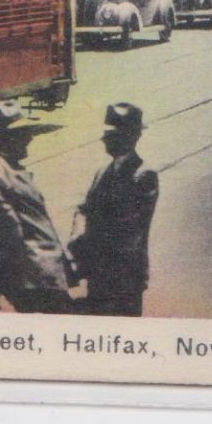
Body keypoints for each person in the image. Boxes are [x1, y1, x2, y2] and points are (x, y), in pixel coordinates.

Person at [0, 99, 74, 314]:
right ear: (2, 139)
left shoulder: (8, 169)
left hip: (42, 275)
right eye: (20, 134)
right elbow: (7, 232)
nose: (29, 138)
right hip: (32, 279)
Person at [70, 103, 160, 317]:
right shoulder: (103, 171)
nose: (105, 140)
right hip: (99, 273)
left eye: (112, 135)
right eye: (106, 134)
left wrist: (88, 247)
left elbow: (131, 231)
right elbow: (83, 208)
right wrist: (77, 235)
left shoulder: (144, 176)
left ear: (132, 136)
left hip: (124, 276)